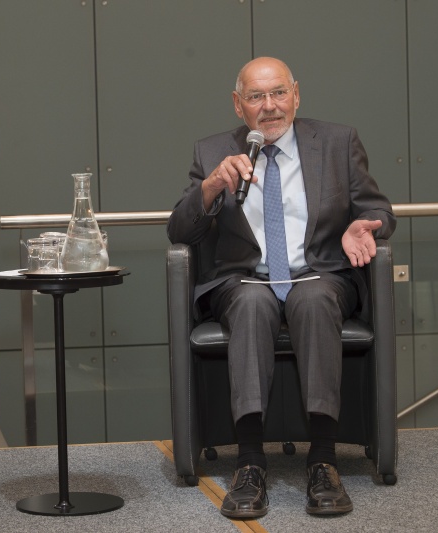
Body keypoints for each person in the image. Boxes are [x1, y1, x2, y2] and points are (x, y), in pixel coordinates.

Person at [167, 57, 395, 519]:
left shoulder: (336, 142)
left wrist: (363, 226)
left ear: (296, 95)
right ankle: (250, 463)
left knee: (313, 298)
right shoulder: (212, 151)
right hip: (244, 280)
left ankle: (323, 461)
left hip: (321, 275)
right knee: (252, 302)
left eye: (278, 94)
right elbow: (179, 231)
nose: (269, 107)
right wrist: (210, 187)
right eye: (256, 97)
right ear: (238, 105)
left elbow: (380, 210)